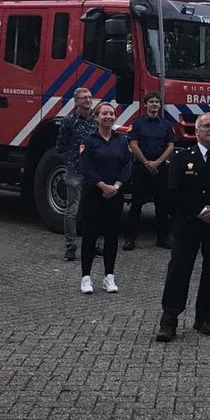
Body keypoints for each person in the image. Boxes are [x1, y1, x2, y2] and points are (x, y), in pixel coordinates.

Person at [156, 113, 210, 342]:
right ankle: (169, 320)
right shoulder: (182, 158)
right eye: (206, 126)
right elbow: (173, 192)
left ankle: (205, 318)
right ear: (197, 132)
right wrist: (199, 210)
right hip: (189, 225)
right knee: (179, 272)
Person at [78, 102, 132, 294]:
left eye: (111, 113)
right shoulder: (89, 140)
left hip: (115, 195)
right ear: (96, 117)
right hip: (94, 194)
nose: (108, 117)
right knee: (90, 235)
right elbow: (86, 166)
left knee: (111, 236)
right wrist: (102, 185)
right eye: (104, 114)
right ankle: (86, 278)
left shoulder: (121, 141)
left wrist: (116, 186)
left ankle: (109, 277)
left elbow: (127, 164)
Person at [123, 91, 175, 251]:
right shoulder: (137, 124)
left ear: (160, 105)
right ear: (145, 105)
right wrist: (146, 162)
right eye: (151, 102)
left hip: (160, 168)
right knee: (136, 204)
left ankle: (162, 238)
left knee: (162, 204)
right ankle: (130, 239)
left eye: (156, 102)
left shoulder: (166, 125)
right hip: (141, 168)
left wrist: (157, 163)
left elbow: (171, 146)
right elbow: (133, 144)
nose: (154, 105)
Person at [56, 88, 96, 262]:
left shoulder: (97, 120)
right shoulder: (69, 121)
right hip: (75, 171)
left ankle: (91, 245)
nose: (88, 100)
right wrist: (72, 161)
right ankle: (70, 247)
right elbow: (60, 146)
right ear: (76, 102)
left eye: (89, 97)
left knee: (93, 211)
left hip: (94, 173)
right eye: (84, 98)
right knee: (72, 211)